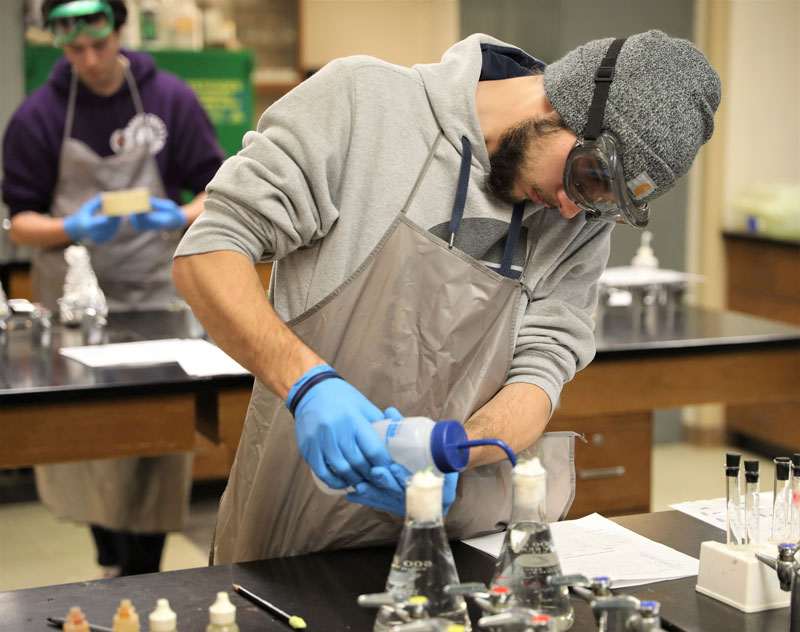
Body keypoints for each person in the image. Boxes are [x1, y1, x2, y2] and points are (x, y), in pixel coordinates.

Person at [172, 30, 721, 563]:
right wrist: (309, 385)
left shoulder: (580, 218)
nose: (573, 208)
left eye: (603, 203)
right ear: (567, 102)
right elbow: (210, 252)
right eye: (586, 176)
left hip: (456, 542)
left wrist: (452, 449)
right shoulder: (364, 103)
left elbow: (542, 370)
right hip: (295, 528)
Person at [1, 0, 224, 575]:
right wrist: (70, 227)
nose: (91, 59)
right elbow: (19, 219)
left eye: (99, 45)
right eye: (75, 49)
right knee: (94, 440)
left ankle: (141, 569)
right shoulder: (39, 115)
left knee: (155, 438)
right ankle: (110, 560)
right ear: (58, 43)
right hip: (75, 309)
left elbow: (217, 192)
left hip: (156, 297)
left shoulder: (170, 99)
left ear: (119, 29)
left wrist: (176, 216)